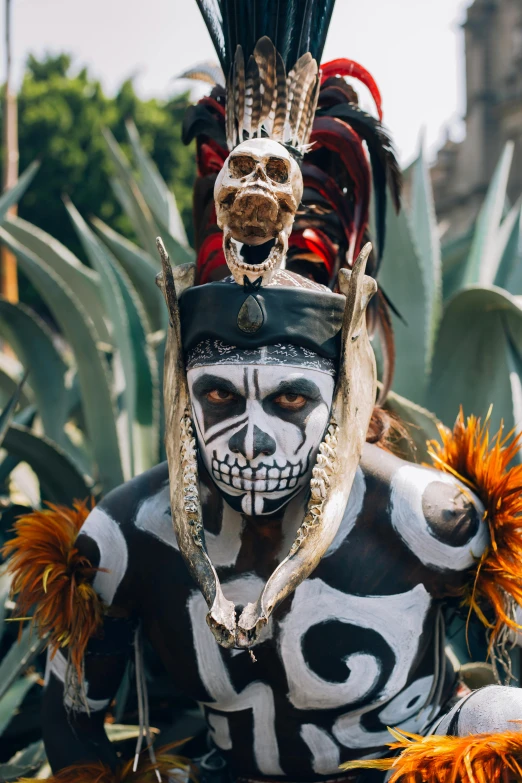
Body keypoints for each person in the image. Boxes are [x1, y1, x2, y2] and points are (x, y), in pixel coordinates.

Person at [5, 2, 522, 781]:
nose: (249, 438)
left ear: (342, 392)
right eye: (218, 399)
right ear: (182, 392)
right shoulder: (124, 539)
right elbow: (74, 725)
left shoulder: (431, 523)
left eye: (288, 401)